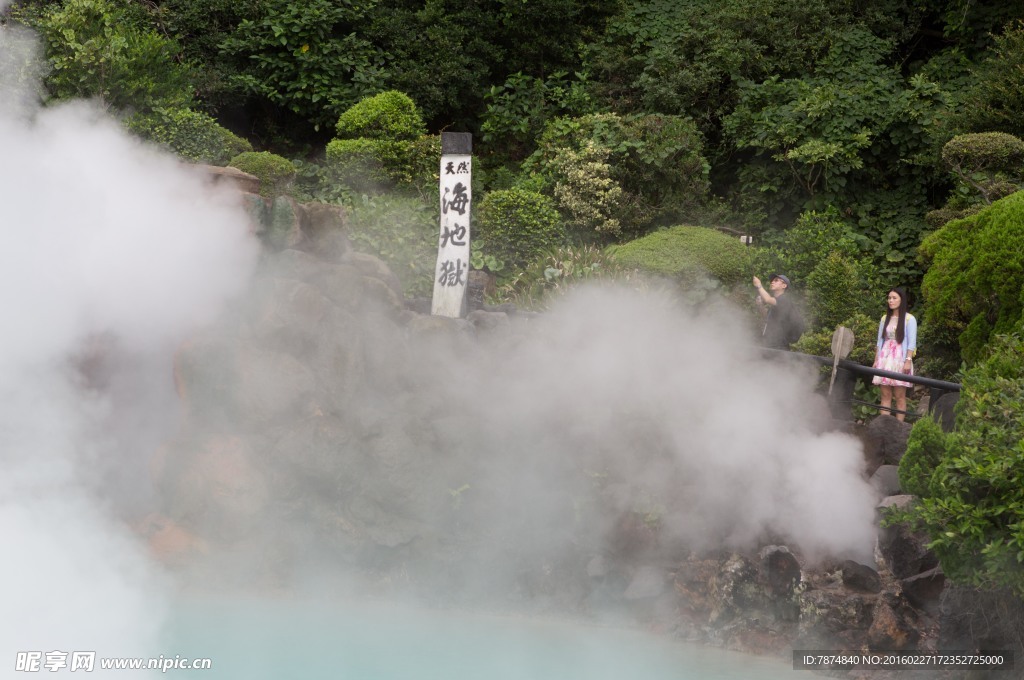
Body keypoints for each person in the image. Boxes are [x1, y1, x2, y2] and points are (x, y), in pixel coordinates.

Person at [871, 287, 917, 421]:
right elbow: (880, 340)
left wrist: (908, 361)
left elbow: (911, 343)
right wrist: (876, 360)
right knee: (885, 395)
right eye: (889, 298)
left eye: (894, 298)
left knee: (900, 396)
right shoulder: (885, 318)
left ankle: (898, 428)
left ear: (901, 300)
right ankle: (884, 426)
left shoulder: (909, 319)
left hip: (900, 358)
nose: (891, 301)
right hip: (885, 357)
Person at [753, 273, 805, 349]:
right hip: (769, 344)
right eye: (772, 281)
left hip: (778, 347)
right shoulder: (776, 303)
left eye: (776, 280)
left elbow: (767, 299)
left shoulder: (784, 300)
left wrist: (759, 285)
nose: (772, 282)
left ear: (784, 286)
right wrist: (760, 305)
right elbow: (767, 318)